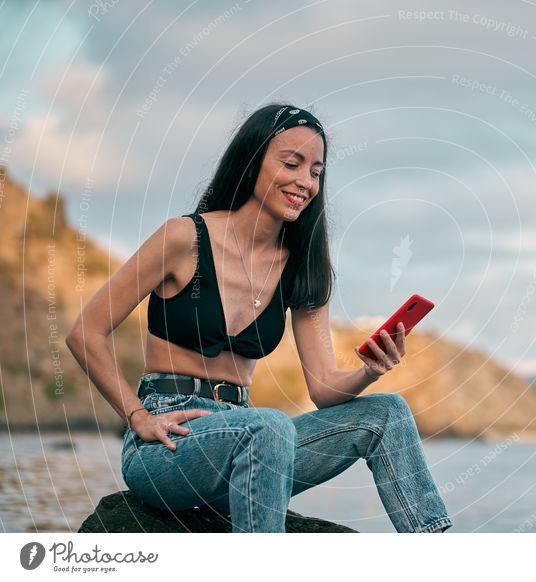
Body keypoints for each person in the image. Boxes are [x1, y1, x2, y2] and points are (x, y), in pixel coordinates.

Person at [66, 103, 452, 533]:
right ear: (252, 162)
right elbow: (86, 332)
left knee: (388, 413)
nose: (305, 182)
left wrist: (368, 371)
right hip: (169, 444)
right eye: (292, 163)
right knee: (268, 425)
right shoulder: (183, 238)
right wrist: (138, 417)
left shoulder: (303, 266)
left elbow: (324, 388)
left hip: (257, 445)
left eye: (316, 172)